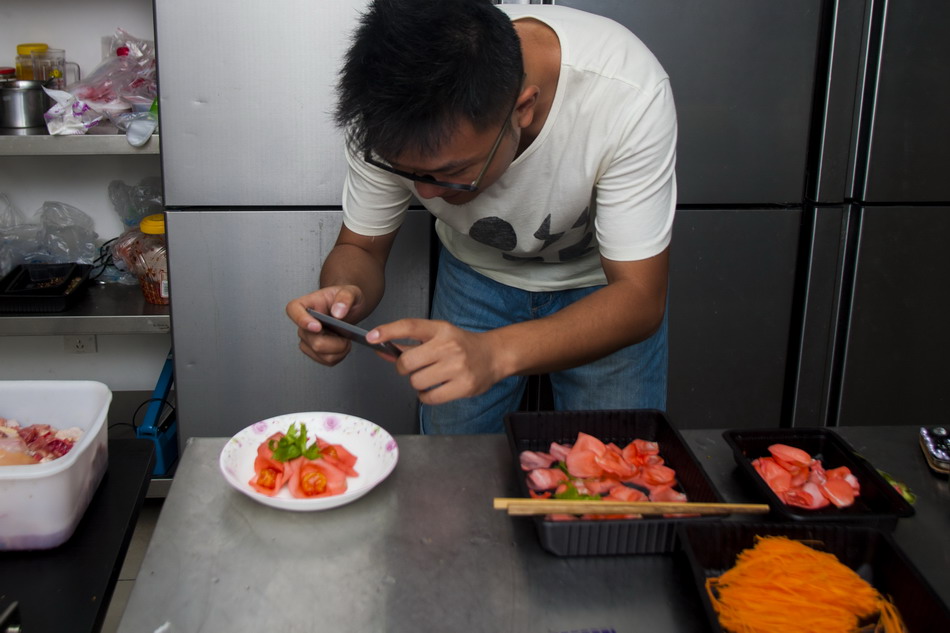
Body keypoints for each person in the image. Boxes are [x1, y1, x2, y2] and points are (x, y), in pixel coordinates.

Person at [286, 0, 677, 434]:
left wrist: (493, 353)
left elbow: (639, 296)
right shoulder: (383, 115)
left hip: (602, 289)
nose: (426, 194)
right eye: (408, 173)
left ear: (523, 108)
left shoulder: (626, 93)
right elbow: (361, 248)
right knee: (451, 458)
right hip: (474, 276)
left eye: (452, 172)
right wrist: (345, 296)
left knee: (617, 458)